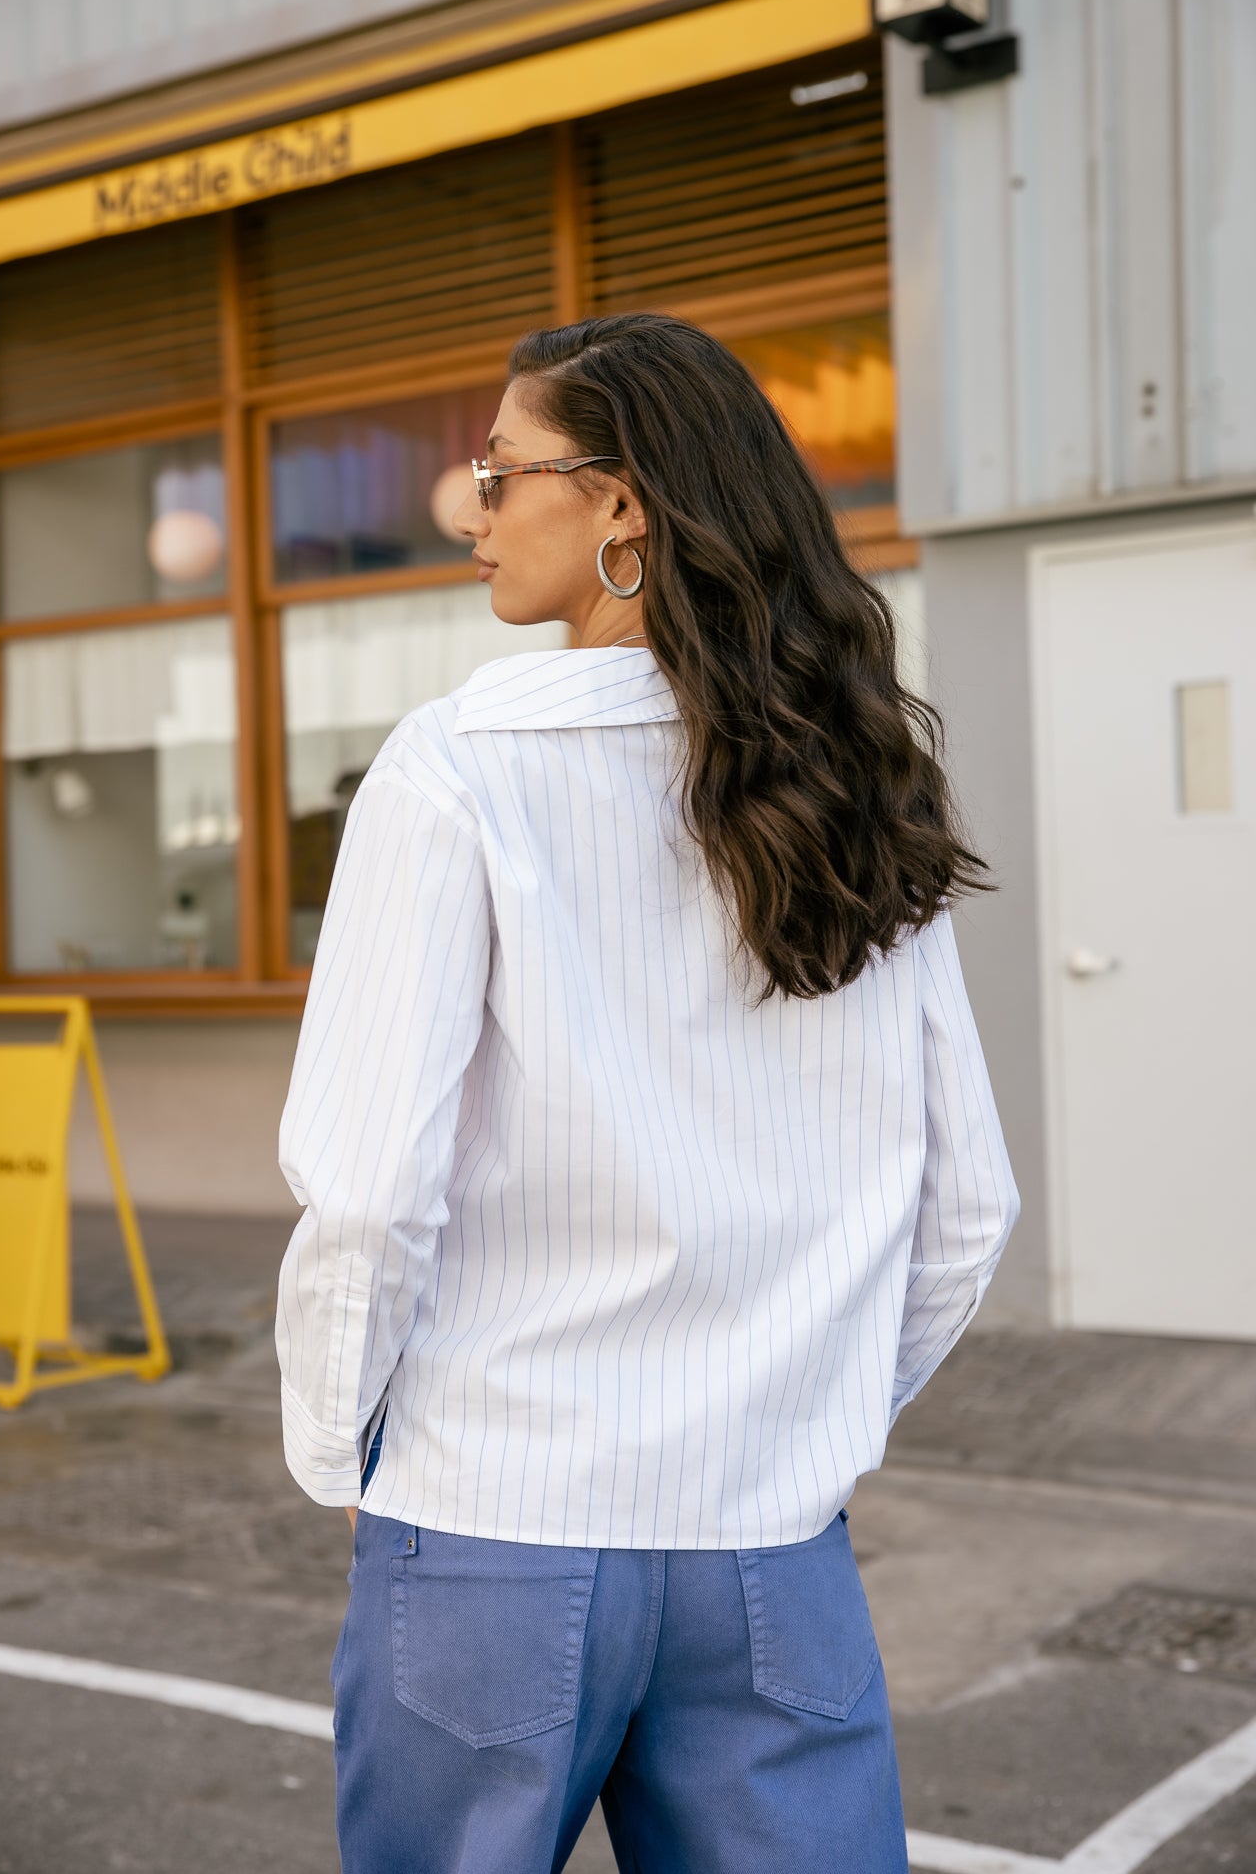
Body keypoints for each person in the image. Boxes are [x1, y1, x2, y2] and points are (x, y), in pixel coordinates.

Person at [275, 313, 1021, 1873]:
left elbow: (369, 1190)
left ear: (622, 503)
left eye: (500, 470)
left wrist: (337, 1447)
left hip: (493, 1521)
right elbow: (967, 1207)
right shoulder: (853, 777)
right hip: (770, 1547)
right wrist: (798, 1412)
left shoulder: (454, 769)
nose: (469, 510)